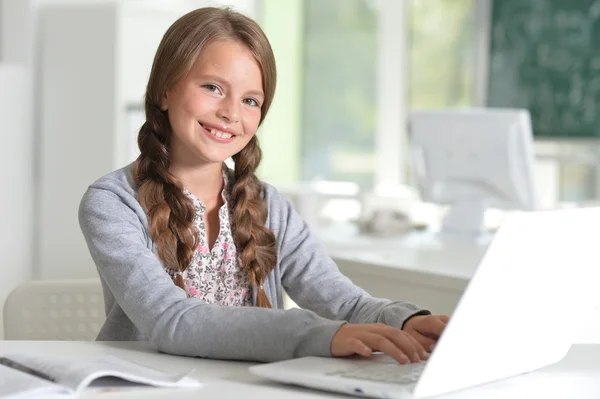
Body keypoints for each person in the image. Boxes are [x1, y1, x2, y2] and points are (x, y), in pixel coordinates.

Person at [78, 6, 448, 364]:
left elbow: (346, 304)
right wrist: (320, 336)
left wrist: (408, 321)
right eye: (212, 87)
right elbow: (171, 320)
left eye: (250, 100)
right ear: (165, 90)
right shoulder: (113, 203)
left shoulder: (269, 206)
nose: (231, 113)